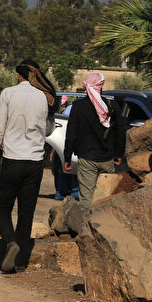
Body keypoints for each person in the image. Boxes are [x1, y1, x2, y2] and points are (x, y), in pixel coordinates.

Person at [0, 60, 56, 273]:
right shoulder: (44, 97)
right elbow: (48, 130)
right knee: (26, 212)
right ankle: (20, 261)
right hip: (35, 163)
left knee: (1, 207)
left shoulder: (8, 93)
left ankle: (10, 242)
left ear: (19, 75)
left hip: (12, 160)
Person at [63, 73, 126, 205]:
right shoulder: (111, 105)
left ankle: (86, 218)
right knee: (105, 198)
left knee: (87, 197)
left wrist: (67, 157)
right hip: (107, 158)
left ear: (86, 87)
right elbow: (120, 132)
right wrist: (119, 154)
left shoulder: (78, 106)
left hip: (87, 158)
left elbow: (71, 134)